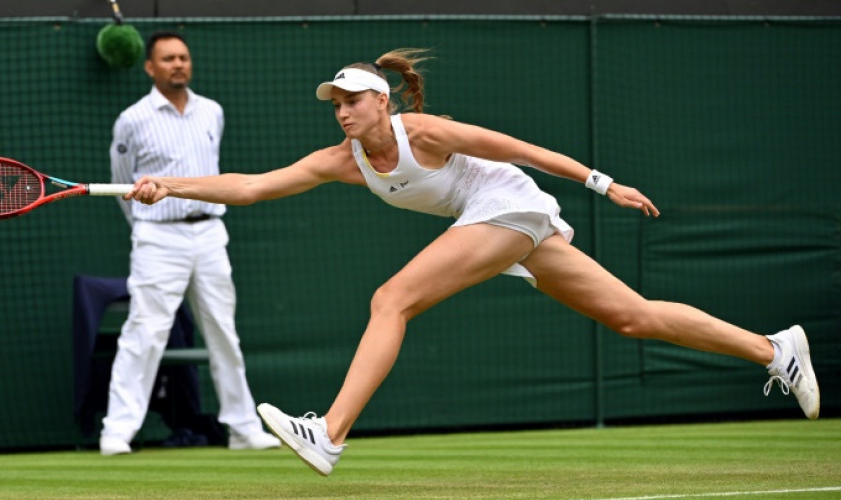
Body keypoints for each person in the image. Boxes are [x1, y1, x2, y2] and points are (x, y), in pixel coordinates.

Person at [123, 49, 820, 473]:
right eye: (334, 102)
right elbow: (250, 187)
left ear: (381, 100)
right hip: (499, 225)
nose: (341, 111)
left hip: (510, 207)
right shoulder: (343, 161)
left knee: (390, 298)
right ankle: (773, 349)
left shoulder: (423, 132)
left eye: (351, 99)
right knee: (632, 318)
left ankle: (329, 433)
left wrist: (603, 184)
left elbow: (518, 147)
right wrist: (168, 184)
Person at [100, 31, 280, 455]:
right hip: (158, 237)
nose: (178, 64)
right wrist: (146, 224)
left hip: (211, 234)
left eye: (182, 57)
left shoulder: (212, 112)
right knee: (144, 332)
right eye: (167, 59)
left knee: (223, 331)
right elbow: (123, 180)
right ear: (150, 67)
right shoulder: (132, 119)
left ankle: (243, 429)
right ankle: (117, 431)